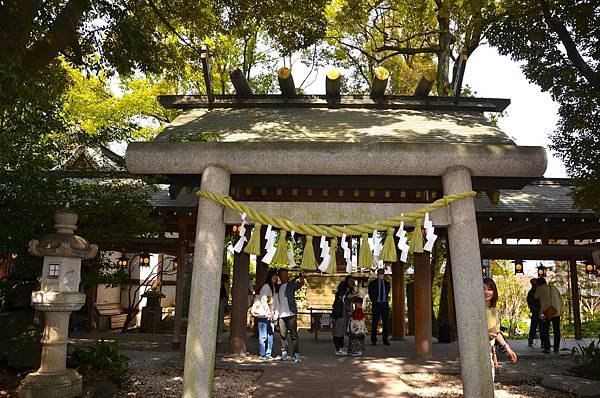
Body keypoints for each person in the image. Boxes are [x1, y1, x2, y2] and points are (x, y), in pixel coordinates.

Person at [483, 277, 517, 378]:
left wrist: (508, 349)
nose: (486, 292)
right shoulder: (475, 309)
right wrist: (485, 335)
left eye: (489, 289)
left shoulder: (493, 310)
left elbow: (496, 332)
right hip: (477, 351)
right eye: (483, 289)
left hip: (489, 350)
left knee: (489, 381)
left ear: (494, 292)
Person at [276, 268, 305, 363]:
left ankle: (296, 354)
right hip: (281, 315)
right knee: (283, 335)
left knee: (294, 335)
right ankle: (284, 353)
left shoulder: (291, 285)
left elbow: (301, 284)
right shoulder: (278, 287)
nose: (284, 276)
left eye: (286, 274)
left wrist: (301, 276)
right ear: (279, 276)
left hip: (291, 313)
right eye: (282, 274)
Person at [254, 269, 278, 360]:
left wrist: (275, 313)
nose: (276, 277)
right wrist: (268, 313)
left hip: (270, 315)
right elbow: (263, 300)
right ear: (270, 276)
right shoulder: (266, 286)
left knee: (270, 335)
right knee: (263, 336)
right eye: (274, 275)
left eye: (276, 276)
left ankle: (268, 354)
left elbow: (274, 302)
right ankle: (263, 354)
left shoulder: (273, 287)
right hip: (264, 315)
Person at [534, 277, 563, 353]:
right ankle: (556, 348)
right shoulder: (553, 287)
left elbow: (536, 297)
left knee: (544, 330)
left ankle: (547, 347)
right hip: (555, 311)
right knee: (556, 330)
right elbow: (560, 298)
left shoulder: (539, 288)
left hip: (545, 312)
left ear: (538, 283)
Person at [368, 268, 390, 345]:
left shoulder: (387, 284)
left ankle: (385, 339)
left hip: (384, 304)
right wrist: (374, 301)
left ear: (384, 274)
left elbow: (387, 293)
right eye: (379, 273)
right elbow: (370, 293)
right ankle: (373, 340)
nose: (381, 275)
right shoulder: (372, 283)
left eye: (382, 273)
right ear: (377, 274)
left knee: (385, 323)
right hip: (376, 304)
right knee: (375, 323)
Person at [332, 281, 351, 355]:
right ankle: (338, 349)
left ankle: (341, 347)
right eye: (347, 287)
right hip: (339, 316)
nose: (349, 289)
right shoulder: (341, 295)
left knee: (341, 332)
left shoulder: (342, 295)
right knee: (338, 333)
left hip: (343, 316)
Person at [526, 278, 541, 346]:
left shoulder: (532, 291)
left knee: (534, 326)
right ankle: (532, 339)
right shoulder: (533, 291)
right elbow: (529, 301)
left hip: (537, 310)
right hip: (538, 310)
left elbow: (529, 301)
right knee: (538, 326)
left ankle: (531, 339)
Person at [217, 273, 230, 343]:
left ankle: (218, 336)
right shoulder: (223, 285)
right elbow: (225, 295)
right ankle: (219, 337)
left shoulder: (220, 284)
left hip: (220, 301)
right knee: (220, 319)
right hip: (220, 302)